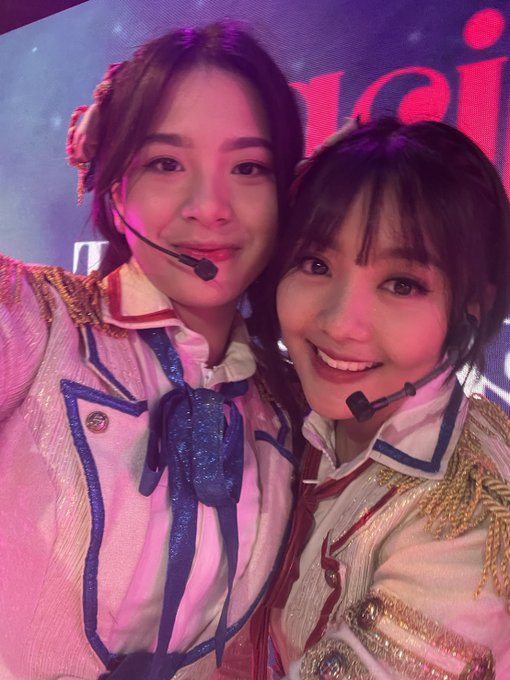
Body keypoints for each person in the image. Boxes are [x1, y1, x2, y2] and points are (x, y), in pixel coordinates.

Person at [0, 20, 304, 680]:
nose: (211, 207)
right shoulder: (35, 322)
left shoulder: (290, 413)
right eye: (166, 163)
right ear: (114, 187)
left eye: (249, 168)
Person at [262, 117, 510, 678]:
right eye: (316, 264)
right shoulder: (285, 413)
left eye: (401, 284)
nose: (339, 323)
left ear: (472, 305)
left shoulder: (466, 523)